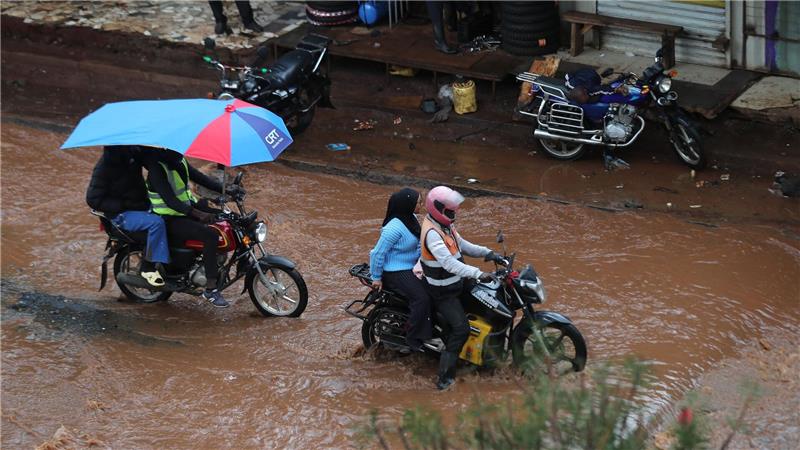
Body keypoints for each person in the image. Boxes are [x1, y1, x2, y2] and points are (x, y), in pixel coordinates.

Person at [419, 186, 505, 390]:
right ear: (438, 209)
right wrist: (478, 273)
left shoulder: (444, 226)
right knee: (461, 329)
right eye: (451, 210)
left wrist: (489, 253)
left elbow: (463, 245)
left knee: (489, 302)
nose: (455, 212)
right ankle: (444, 380)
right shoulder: (432, 233)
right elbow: (449, 263)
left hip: (456, 282)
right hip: (443, 290)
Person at [142, 149, 237, 308]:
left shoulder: (180, 161)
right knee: (210, 235)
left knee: (225, 217)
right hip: (167, 218)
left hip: (184, 211)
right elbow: (171, 201)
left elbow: (201, 179)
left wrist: (228, 189)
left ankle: (205, 264)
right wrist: (198, 214)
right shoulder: (157, 169)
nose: (181, 152)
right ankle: (211, 289)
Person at [86, 145, 169, 288]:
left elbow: (151, 161)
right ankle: (147, 268)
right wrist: (124, 204)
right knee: (157, 223)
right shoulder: (103, 168)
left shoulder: (132, 153)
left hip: (140, 205)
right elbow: (93, 199)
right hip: (121, 214)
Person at [369, 188, 432, 352]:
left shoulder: (410, 219)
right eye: (418, 202)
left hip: (411, 266)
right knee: (421, 298)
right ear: (408, 204)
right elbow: (377, 253)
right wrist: (376, 277)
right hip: (395, 272)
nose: (421, 205)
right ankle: (413, 337)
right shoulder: (393, 228)